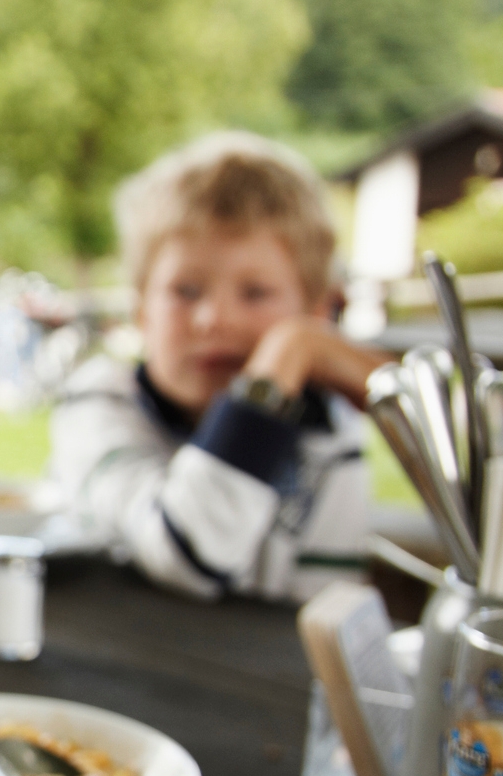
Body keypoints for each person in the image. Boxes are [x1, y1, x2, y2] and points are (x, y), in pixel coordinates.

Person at [50, 132, 391, 602]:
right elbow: (190, 552)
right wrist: (284, 357)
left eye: (255, 293)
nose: (213, 319)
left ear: (316, 310)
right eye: (185, 291)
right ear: (141, 311)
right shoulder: (99, 405)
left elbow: (321, 616)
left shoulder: (329, 437)